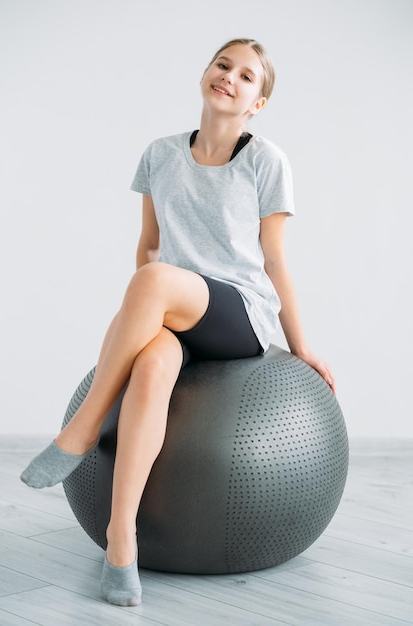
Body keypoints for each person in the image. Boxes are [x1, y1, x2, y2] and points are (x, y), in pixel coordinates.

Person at [20, 38, 335, 607]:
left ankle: (83, 430)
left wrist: (301, 346)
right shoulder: (160, 154)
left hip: (239, 314)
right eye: (223, 65)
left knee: (153, 280)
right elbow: (148, 245)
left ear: (257, 103)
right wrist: (146, 329)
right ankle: (121, 543)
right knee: (151, 366)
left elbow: (274, 261)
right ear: (206, 72)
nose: (229, 79)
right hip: (176, 309)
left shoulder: (266, 161)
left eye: (246, 77)